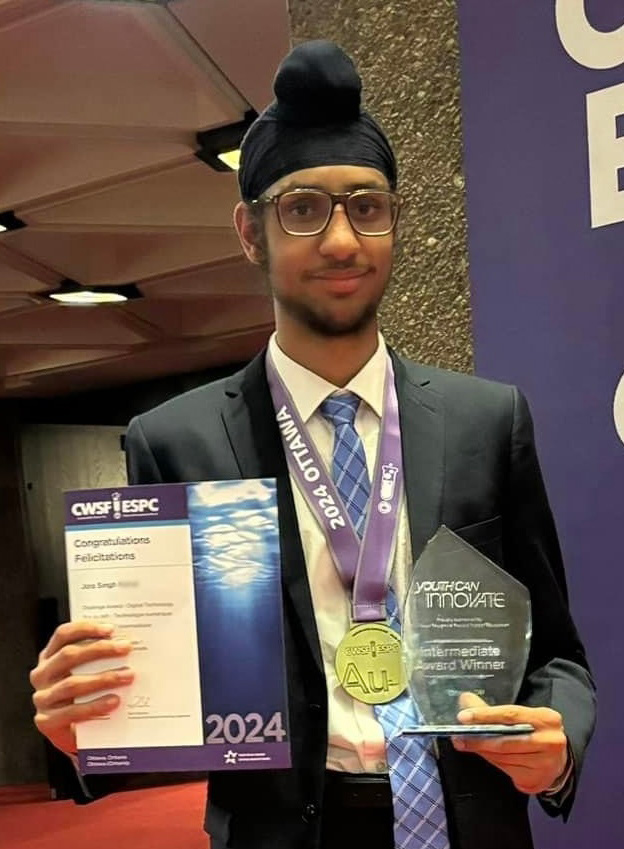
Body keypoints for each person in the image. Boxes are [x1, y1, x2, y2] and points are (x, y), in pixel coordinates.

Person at [30, 40, 595, 849]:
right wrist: (87, 722)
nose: (341, 240)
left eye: (367, 206)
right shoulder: (179, 442)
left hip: (468, 822)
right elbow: (155, 694)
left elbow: (559, 654)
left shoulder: (487, 420)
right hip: (285, 832)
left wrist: (560, 743)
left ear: (394, 221)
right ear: (250, 232)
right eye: (303, 208)